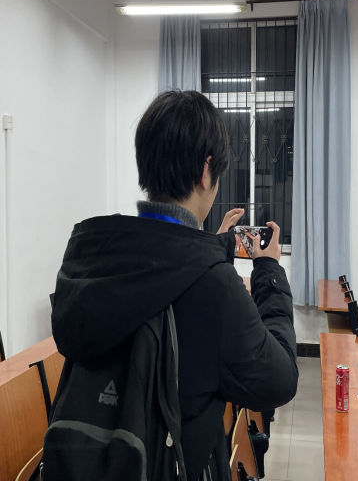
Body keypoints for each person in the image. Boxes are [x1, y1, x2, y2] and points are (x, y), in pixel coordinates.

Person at [50, 90, 298, 480]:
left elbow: (167, 259)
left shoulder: (95, 260)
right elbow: (279, 380)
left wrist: (210, 245)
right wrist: (269, 270)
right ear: (206, 170)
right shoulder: (213, 286)